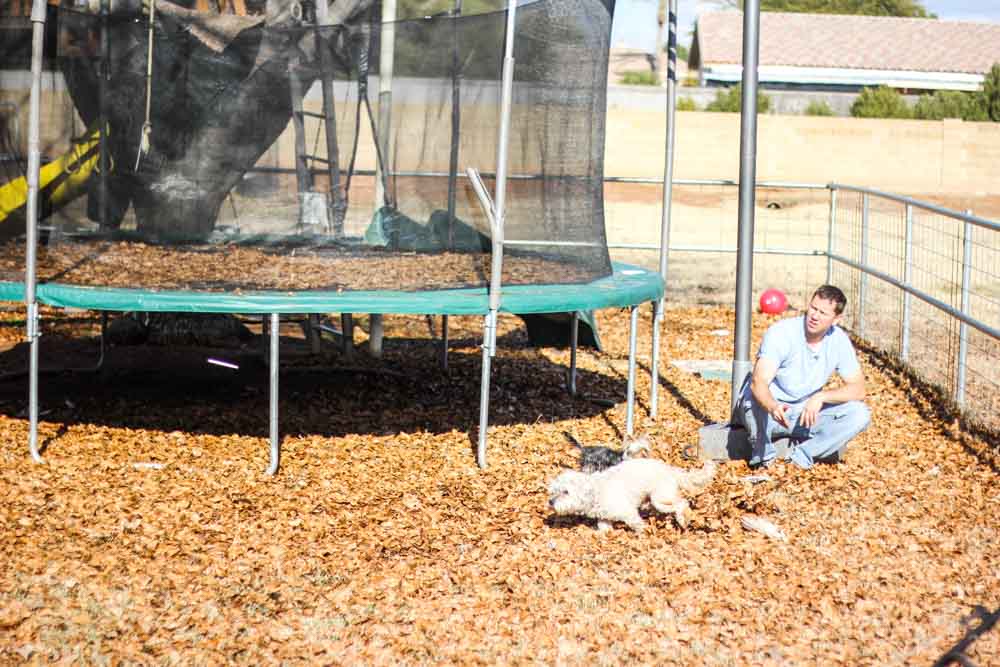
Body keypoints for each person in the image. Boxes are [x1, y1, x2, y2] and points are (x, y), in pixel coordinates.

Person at [733, 285, 871, 470]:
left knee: (859, 414)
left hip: (804, 414)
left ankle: (803, 456)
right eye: (813, 308)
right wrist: (773, 406)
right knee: (755, 402)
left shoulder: (839, 340)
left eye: (823, 313)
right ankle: (764, 460)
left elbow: (859, 389)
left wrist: (821, 397)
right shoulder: (781, 332)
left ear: (836, 319)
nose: (814, 316)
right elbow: (759, 382)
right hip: (769, 410)